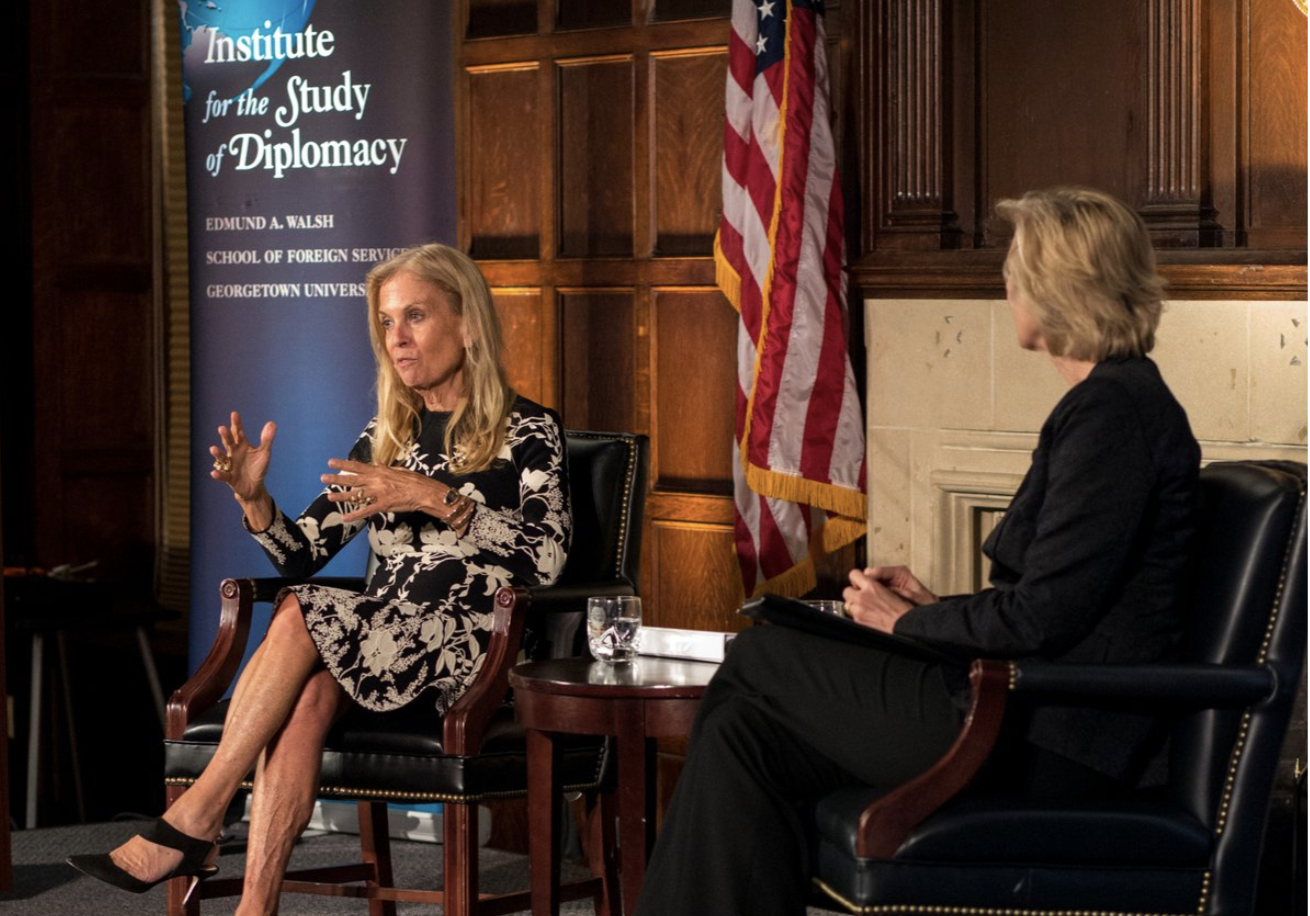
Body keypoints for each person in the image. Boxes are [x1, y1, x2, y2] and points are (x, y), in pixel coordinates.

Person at [633, 187, 1202, 916]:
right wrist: (931, 607)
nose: (1006, 283)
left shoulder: (1115, 414)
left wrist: (903, 624)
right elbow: (1060, 598)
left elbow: (1043, 618)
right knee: (749, 733)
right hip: (1022, 704)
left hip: (1051, 738)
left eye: (1017, 267)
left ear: (1063, 287)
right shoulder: (1113, 404)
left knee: (759, 659)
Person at [68, 243, 573, 914]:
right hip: (382, 642)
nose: (398, 338)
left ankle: (196, 818)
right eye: (387, 322)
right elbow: (301, 552)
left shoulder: (529, 430)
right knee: (307, 696)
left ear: (469, 323)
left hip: (474, 651)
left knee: (306, 611)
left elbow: (545, 557)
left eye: (416, 316)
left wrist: (430, 496)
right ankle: (255, 906)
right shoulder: (387, 434)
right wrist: (256, 501)